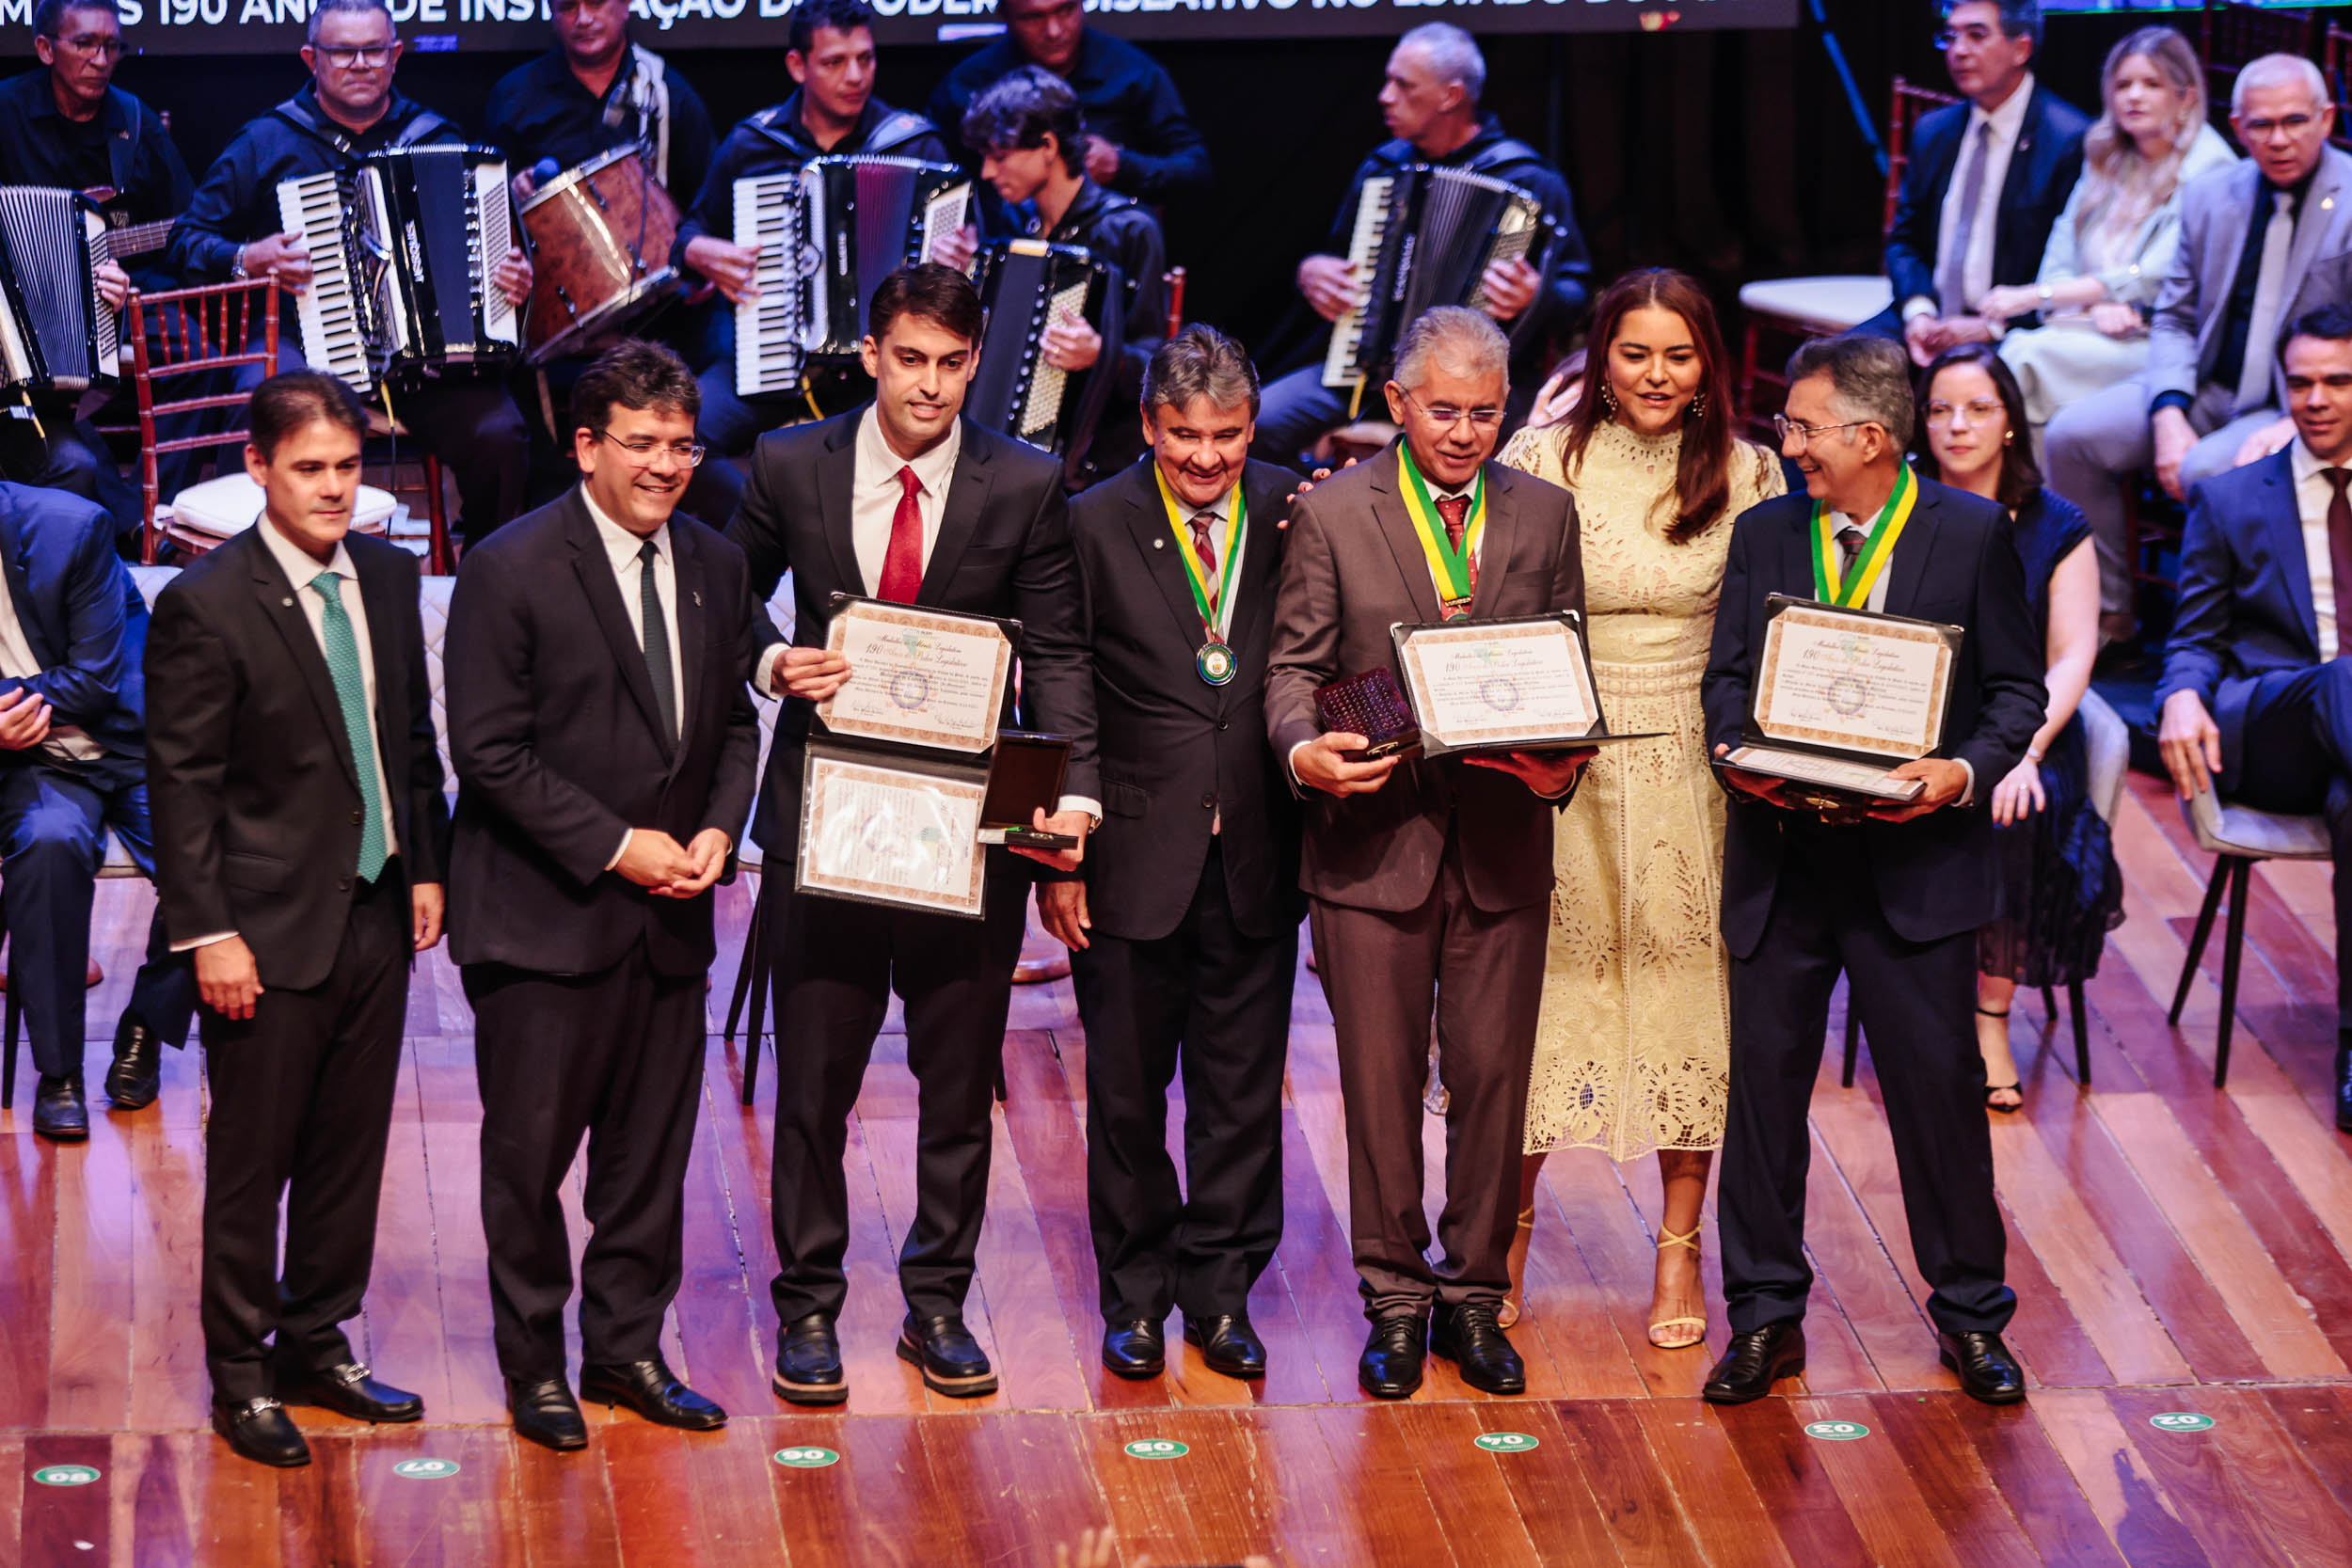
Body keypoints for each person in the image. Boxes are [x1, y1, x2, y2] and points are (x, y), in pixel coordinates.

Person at [728, 263, 1096, 1405]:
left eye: (951, 363)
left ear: (975, 360)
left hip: (963, 832)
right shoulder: (791, 461)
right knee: (815, 1087)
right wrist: (772, 659)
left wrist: (1075, 798)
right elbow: (724, 590)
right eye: (909, 360)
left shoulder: (1027, 482)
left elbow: (1065, 651)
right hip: (825, 824)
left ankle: (937, 1304)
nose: (929, 385)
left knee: (955, 1083)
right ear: (872, 354)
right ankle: (808, 1309)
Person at [1702, 332, 2044, 1407]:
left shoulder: (1973, 533)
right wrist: (1738, 758)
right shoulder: (1763, 533)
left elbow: (2014, 697)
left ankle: (1972, 1316)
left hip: (1915, 864)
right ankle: (1763, 1317)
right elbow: (1723, 683)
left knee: (1938, 1098)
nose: (1786, 442)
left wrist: (1961, 770)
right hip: (1784, 858)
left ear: (1871, 437)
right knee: (1760, 1099)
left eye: (1802, 426)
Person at [1265, 306, 1590, 1401]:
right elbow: (1292, 667)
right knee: (1380, 1082)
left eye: (1485, 413)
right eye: (1442, 410)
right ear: (1397, 404)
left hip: (1504, 839)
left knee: (1496, 1083)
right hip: (1371, 840)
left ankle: (1473, 1299)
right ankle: (1394, 1301)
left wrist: (1564, 761)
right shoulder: (1334, 513)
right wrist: (1303, 751)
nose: (1462, 433)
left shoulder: (1546, 513)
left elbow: (1566, 664)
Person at [443, 340, 758, 1452]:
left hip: (671, 916)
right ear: (585, 446)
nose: (668, 464)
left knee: (648, 1161)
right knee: (527, 1163)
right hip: (542, 919)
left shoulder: (718, 564)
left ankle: (625, 1349)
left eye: (682, 443)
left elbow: (733, 722)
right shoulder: (509, 564)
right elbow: (488, 750)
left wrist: (721, 824)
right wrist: (622, 844)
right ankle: (534, 1364)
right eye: (643, 443)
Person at [146, 372, 448, 1468]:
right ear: (259, 470)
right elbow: (181, 785)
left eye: (347, 467)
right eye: (309, 468)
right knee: (253, 1157)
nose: (331, 488)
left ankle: (316, 1340)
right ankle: (240, 1371)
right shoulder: (206, 602)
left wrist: (424, 863)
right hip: (263, 927)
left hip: (374, 901)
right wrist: (209, 932)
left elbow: (406, 733)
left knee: (347, 1149)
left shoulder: (385, 569)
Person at [1495, 269, 1784, 1346]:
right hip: (1560, 752)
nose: (1656, 375)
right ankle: (1503, 1235)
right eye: (1634, 353)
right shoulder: (1543, 455)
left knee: (1686, 996)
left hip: (1691, 762)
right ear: (1599, 358)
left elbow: (1773, 624)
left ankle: (1678, 1251)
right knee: (1538, 995)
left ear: (1706, 362)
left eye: (1678, 354)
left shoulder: (1750, 471)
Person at [1038, 326, 1302, 1384]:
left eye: (1227, 435)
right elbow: (1058, 686)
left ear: (1251, 426)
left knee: (1243, 1094)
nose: (1205, 457)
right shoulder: (1092, 522)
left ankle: (1224, 1293)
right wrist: (1055, 858)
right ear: (1148, 423)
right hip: (1128, 856)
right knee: (1128, 1096)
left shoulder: (1294, 507)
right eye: (1183, 434)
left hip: (1257, 850)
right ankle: (1136, 1298)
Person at [166, 0, 535, 541]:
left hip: (424, 366)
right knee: (261, 405)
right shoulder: (267, 142)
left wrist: (509, 280)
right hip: (303, 351)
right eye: (343, 52)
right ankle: (253, 570)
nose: (360, 63)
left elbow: (490, 250)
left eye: (374, 50)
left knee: (501, 434)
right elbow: (185, 240)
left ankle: (485, 572)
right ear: (311, 58)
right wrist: (248, 257)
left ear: (396, 56)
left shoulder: (435, 138)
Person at [2046, 54, 2352, 642]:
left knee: (2207, 470)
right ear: (2237, 127)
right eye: (2261, 125)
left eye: (2295, 121)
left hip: (2298, 397)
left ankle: (2207, 644)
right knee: (2072, 437)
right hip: (2206, 384)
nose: (2279, 139)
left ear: (2326, 118)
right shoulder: (2213, 193)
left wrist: (2297, 419)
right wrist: (2167, 410)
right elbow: (2175, 318)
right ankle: (2109, 616)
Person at [2157, 303, 2352, 1136]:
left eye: (2338, 380)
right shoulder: (2232, 495)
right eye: (2300, 381)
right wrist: (2179, 693)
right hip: (2273, 723)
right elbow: (2194, 635)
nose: (2316, 398)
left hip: (2341, 763)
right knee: (2342, 678)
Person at [1915, 343, 2118, 1113]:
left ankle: (1990, 1018)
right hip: (1924, 724)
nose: (1956, 426)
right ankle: (1918, 1006)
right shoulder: (1902, 504)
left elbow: (2071, 657)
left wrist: (2022, 748)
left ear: (2009, 424)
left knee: (2012, 810)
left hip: (2024, 730)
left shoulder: (2055, 523)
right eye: (1939, 409)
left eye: (1978, 409)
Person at [1252, 24, 1592, 468]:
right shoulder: (1383, 168)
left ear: (1450, 96)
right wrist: (1311, 271)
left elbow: (1578, 289)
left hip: (1479, 387)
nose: (1384, 96)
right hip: (1364, 372)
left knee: (1529, 457)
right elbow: (1334, 254)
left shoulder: (1528, 178)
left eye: (1403, 85)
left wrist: (1537, 296)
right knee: (1253, 428)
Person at [0, 481, 198, 1141]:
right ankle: (59, 1074)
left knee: (210, 854)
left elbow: (93, 678)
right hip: (32, 755)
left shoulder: (68, 527)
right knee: (47, 843)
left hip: (127, 734)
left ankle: (146, 1021)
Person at [677, 0, 954, 455]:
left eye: (865, 59)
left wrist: (957, 256)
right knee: (687, 434)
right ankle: (759, 521)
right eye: (834, 62)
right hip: (774, 360)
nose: (855, 76)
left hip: (888, 369)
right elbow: (690, 234)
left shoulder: (916, 143)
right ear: (797, 66)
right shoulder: (755, 144)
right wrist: (700, 252)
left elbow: (970, 256)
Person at [1989, 27, 2236, 457]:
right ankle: (2022, 507)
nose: (2133, 96)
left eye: (2151, 84)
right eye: (2123, 85)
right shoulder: (2108, 154)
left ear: (2187, 96)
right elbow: (2061, 249)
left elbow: (2153, 276)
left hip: (2157, 342)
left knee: (2020, 359)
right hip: (2086, 325)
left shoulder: (2209, 167)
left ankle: (2020, 508)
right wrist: (2088, 303)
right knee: (2017, 359)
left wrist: (2035, 296)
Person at [0, 0, 162, 533]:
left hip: (80, 327)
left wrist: (125, 284)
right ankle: (135, 531)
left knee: (220, 363)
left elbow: (187, 225)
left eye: (111, 46)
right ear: (45, 48)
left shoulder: (134, 122)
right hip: (13, 339)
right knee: (73, 453)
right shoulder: (5, 111)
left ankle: (161, 518)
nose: (100, 58)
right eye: (85, 44)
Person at [961, 66, 1166, 484]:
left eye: (999, 157)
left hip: (1100, 466)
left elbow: (1160, 367)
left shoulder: (1129, 228)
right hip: (1010, 460)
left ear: (1048, 146)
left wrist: (1101, 355)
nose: (986, 172)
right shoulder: (1014, 228)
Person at [1868, 1, 2091, 367]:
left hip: (2014, 331)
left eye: (1976, 35)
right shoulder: (1934, 131)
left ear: (2021, 48)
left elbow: (2072, 270)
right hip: (1930, 316)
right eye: (1950, 36)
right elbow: (1904, 243)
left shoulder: (2067, 139)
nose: (1959, 50)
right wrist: (1920, 312)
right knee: (1839, 369)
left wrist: (1990, 326)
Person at [927, 0, 1209, 215]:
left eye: (1066, 10)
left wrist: (1122, 166)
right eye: (1033, 17)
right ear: (1005, 16)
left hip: (1109, 250)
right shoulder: (969, 84)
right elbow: (933, 177)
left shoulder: (1133, 73)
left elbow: (1196, 170)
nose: (1054, 30)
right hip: (1001, 254)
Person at [486, 0, 716, 208]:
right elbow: (485, 201)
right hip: (544, 250)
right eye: (568, 7)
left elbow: (708, 208)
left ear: (626, 5)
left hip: (650, 249)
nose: (583, 19)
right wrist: (512, 189)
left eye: (596, 3)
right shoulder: (514, 97)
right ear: (551, 13)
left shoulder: (667, 96)